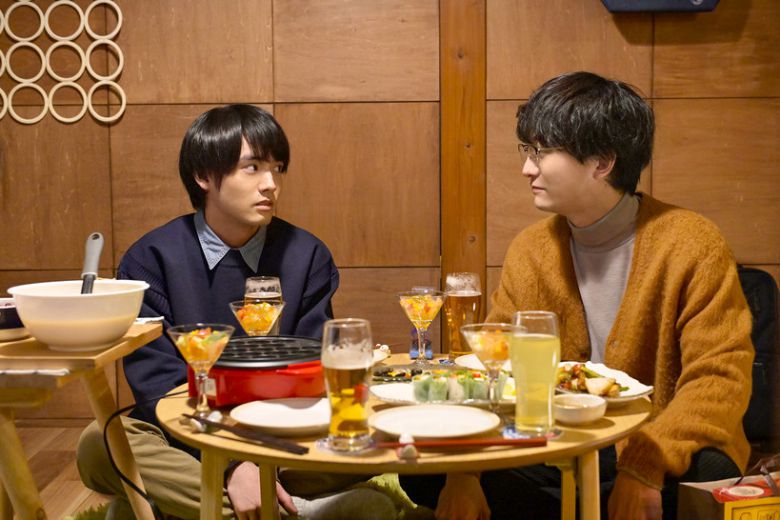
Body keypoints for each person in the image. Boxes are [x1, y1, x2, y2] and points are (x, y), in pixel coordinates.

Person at [400, 72, 754, 520]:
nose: (527, 168)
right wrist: (465, 472)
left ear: (602, 162)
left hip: (656, 442)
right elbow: (495, 367)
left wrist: (643, 467)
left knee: (710, 470)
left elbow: (719, 380)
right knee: (424, 470)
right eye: (527, 151)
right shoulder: (532, 249)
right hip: (561, 443)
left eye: (542, 152)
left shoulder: (692, 243)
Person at [76, 104, 394, 519]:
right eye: (253, 168)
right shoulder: (151, 259)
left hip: (284, 434)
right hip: (188, 433)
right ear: (204, 176)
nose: (271, 184)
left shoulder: (306, 254)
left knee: (376, 431)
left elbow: (313, 368)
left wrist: (256, 457)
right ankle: (290, 511)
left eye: (277, 169)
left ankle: (174, 504)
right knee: (100, 444)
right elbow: (158, 385)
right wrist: (229, 461)